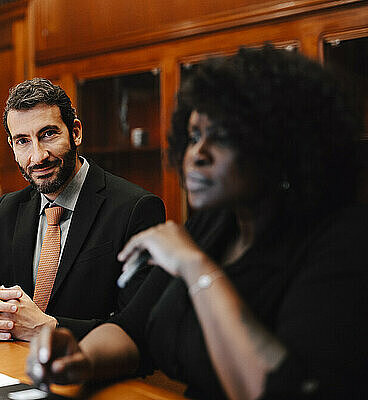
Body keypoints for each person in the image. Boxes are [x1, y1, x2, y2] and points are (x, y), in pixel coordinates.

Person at [27, 46, 368, 399]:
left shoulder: (345, 242)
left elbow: (283, 389)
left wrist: (195, 267)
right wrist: (82, 357)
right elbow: (132, 329)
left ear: (282, 147)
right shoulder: (213, 227)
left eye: (220, 138)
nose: (196, 155)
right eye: (193, 137)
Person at [0, 78, 166, 341]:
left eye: (48, 134)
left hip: (91, 371)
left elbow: (140, 329)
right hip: (15, 367)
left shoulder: (136, 209)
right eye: (22, 141)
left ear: (76, 132)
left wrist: (47, 328)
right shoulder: (9, 209)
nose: (37, 157)